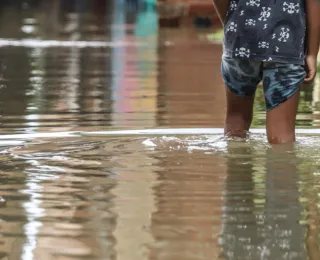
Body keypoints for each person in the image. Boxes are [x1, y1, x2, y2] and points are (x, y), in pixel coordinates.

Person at [213, 0, 320, 144]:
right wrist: (312, 53)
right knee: (281, 135)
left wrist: (230, 24)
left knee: (236, 122)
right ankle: (280, 163)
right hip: (285, 47)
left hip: (240, 40)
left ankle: (236, 164)